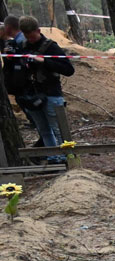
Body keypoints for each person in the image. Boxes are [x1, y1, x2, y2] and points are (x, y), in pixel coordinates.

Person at [12, 17, 74, 161]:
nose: (30, 39)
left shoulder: (51, 46)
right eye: (27, 36)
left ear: (38, 31)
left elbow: (68, 69)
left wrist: (45, 61)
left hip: (51, 94)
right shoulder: (22, 45)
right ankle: (53, 158)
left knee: (59, 129)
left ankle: (68, 158)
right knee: (44, 130)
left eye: (32, 36)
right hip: (31, 95)